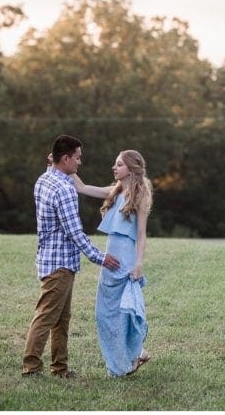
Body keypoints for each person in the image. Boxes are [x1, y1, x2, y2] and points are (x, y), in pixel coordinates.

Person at [22, 134, 121, 379]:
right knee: (46, 317)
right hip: (60, 265)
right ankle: (31, 367)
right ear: (65, 158)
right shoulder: (64, 189)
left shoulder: (44, 180)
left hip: (49, 259)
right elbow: (75, 233)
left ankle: (60, 368)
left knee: (61, 319)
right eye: (77, 158)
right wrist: (100, 258)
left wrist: (51, 161)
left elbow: (55, 166)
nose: (79, 163)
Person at [72, 150, 153, 377]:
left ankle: (135, 356)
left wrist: (139, 264)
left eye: (118, 164)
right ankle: (138, 353)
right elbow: (82, 187)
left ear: (130, 168)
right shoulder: (115, 191)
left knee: (125, 311)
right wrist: (57, 163)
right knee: (104, 313)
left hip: (126, 261)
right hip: (109, 261)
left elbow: (141, 233)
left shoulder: (141, 195)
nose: (114, 168)